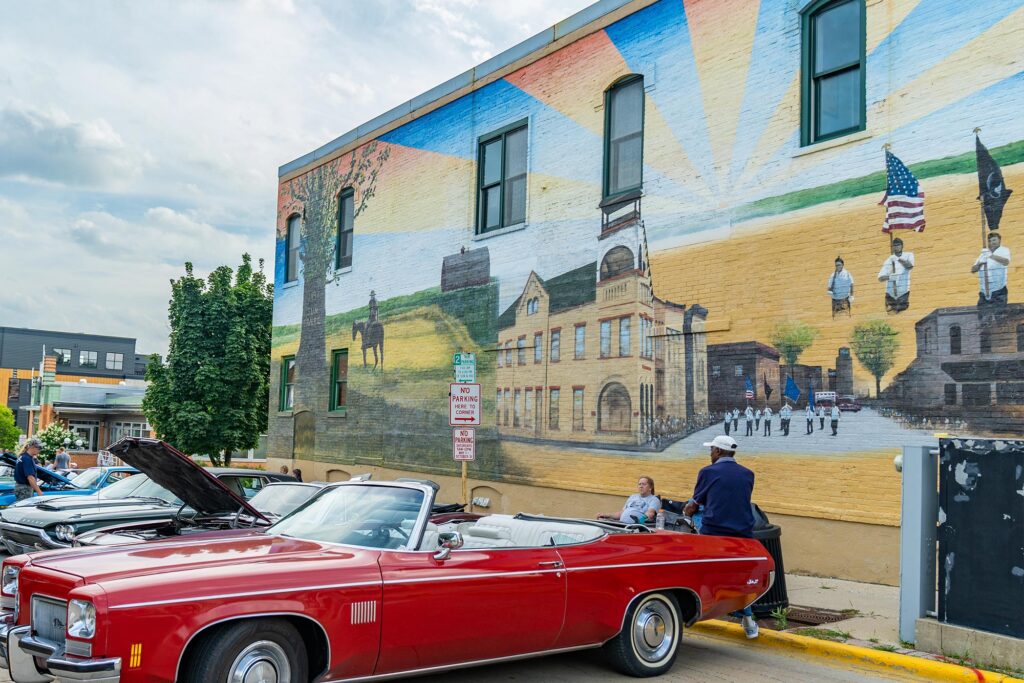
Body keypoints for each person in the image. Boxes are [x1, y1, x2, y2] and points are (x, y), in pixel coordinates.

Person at [683, 436, 758, 639]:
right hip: (743, 533)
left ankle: (697, 608)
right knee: (739, 577)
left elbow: (695, 503)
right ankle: (749, 620)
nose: (710, 454)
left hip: (715, 532)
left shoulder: (708, 472)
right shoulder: (748, 474)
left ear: (718, 451)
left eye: (711, 450)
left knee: (705, 572)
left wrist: (687, 512)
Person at [972, 232, 1011, 306]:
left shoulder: (1004, 250)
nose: (991, 242)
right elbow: (973, 270)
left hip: (998, 292)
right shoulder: (983, 254)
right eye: (989, 241)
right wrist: (980, 262)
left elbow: (1006, 262)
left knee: (999, 315)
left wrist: (991, 256)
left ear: (999, 240)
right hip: (983, 293)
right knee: (981, 315)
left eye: (994, 240)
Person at [877, 238, 915, 313]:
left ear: (902, 246)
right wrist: (889, 277)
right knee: (891, 315)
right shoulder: (889, 260)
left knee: (903, 314)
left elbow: (909, 266)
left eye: (898, 245)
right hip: (890, 295)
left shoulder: (908, 255)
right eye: (894, 245)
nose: (896, 247)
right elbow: (880, 278)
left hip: (903, 294)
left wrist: (898, 259)